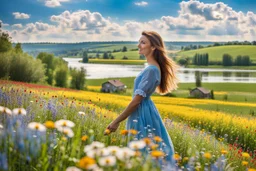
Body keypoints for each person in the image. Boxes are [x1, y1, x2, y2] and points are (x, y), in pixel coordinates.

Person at [105, 30, 179, 161]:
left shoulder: (151, 70)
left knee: (143, 155)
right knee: (146, 153)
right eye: (139, 42)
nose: (139, 45)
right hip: (145, 111)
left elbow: (136, 101)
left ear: (153, 47)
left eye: (143, 42)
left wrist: (116, 122)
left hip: (142, 114)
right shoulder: (151, 67)